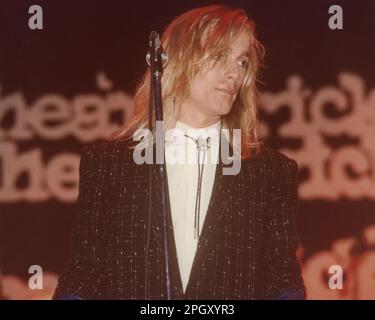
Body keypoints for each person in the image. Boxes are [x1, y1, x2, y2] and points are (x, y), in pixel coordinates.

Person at [53, 4, 305, 300]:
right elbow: (83, 274)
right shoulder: (108, 165)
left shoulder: (269, 171)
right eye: (219, 56)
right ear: (178, 60)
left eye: (242, 62)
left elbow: (282, 277)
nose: (233, 74)